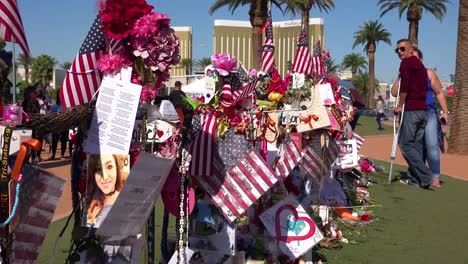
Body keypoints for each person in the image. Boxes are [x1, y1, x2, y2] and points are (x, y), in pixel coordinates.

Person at [391, 47, 449, 188]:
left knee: (431, 144)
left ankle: (434, 177)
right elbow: (393, 92)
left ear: (420, 60)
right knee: (414, 146)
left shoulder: (429, 73)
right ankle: (418, 177)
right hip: (410, 113)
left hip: (428, 112)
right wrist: (401, 76)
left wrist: (445, 112)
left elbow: (439, 92)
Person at [393, 39, 433, 188]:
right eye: (397, 50)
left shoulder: (407, 63)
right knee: (415, 146)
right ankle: (415, 180)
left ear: (411, 49)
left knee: (405, 144)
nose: (399, 52)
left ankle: (427, 175)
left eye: (402, 49)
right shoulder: (421, 66)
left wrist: (399, 105)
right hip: (423, 111)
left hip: (412, 110)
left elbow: (405, 87)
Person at [86, 154, 129, 228]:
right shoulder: (91, 201)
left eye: (109, 167)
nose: (104, 176)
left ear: (117, 168)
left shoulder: (127, 201)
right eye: (98, 169)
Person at [22, 87, 42, 163]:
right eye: (33, 93)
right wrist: (30, 115)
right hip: (28, 126)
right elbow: (24, 114)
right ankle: (26, 159)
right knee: (28, 142)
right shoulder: (25, 102)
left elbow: (38, 112)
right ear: (29, 93)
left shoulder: (36, 102)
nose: (35, 94)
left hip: (36, 124)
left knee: (36, 141)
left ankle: (34, 157)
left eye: (35, 93)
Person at [48, 93, 69, 161]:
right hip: (56, 126)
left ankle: (62, 155)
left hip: (65, 126)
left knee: (64, 141)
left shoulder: (67, 105)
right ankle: (53, 155)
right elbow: (51, 115)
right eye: (60, 95)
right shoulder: (54, 106)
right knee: (54, 141)